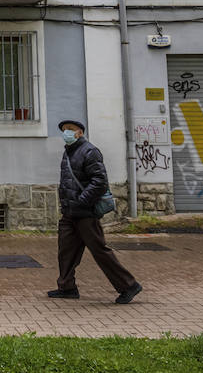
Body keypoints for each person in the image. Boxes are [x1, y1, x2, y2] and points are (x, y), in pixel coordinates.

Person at [46, 119, 143, 304]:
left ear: (80, 133)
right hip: (69, 213)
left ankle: (129, 286)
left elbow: (99, 181)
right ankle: (67, 287)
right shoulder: (69, 152)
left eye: (70, 130)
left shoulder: (89, 151)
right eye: (64, 130)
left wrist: (82, 201)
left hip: (85, 213)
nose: (66, 132)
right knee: (66, 250)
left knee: (99, 250)